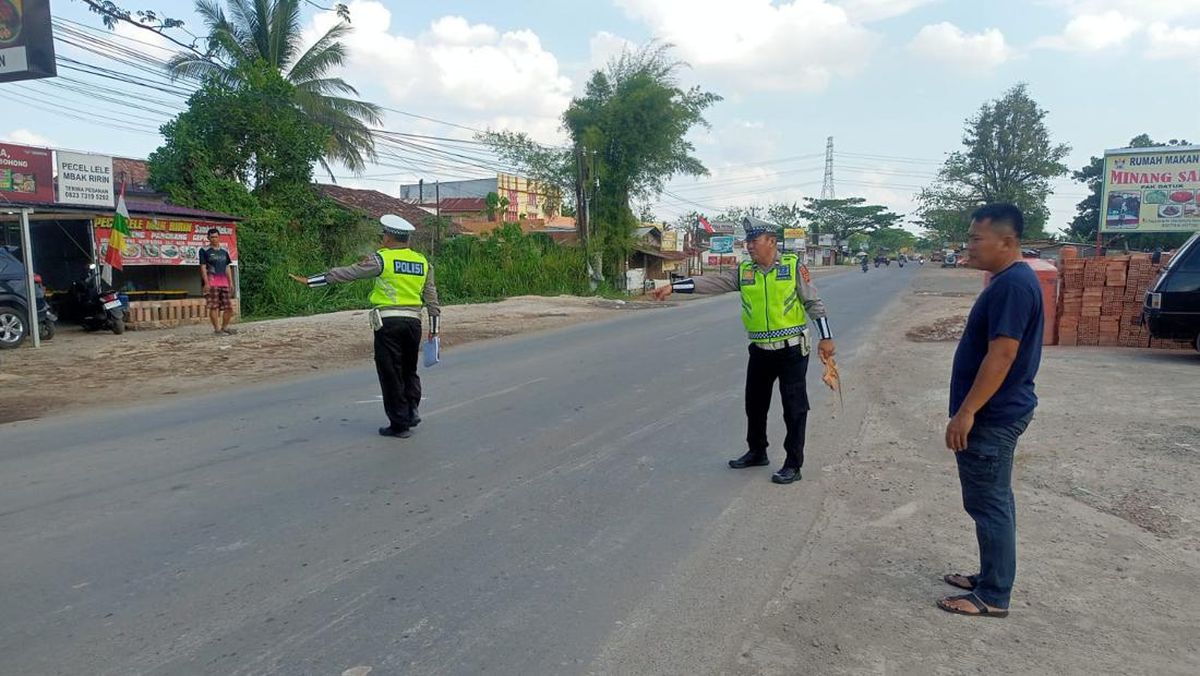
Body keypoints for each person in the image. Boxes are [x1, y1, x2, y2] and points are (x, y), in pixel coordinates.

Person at [650, 217, 836, 484]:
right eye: (747, 241)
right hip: (760, 350)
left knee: (793, 408)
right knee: (755, 404)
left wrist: (826, 338)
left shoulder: (793, 267)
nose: (749, 246)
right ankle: (757, 451)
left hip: (792, 350)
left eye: (754, 241)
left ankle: (793, 464)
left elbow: (814, 303)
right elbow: (711, 284)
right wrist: (673, 286)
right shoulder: (745, 271)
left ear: (771, 241)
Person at [938, 203, 1044, 619]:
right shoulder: (1008, 280)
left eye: (976, 238)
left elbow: (1001, 355)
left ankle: (994, 595)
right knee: (992, 500)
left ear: (1007, 241)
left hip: (993, 416)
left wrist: (966, 412)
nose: (970, 245)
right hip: (999, 411)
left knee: (989, 503)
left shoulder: (1013, 286)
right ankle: (988, 576)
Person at [290, 215, 441, 439]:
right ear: (406, 239)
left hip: (389, 322)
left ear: (388, 237)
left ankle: (399, 424)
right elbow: (432, 297)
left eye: (383, 235)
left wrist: (312, 281)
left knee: (390, 371)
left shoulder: (382, 259)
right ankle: (411, 410)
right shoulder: (422, 262)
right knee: (409, 369)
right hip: (414, 323)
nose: (382, 238)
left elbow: (349, 273)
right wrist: (435, 329)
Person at [199, 227, 236, 335]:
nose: (214, 239)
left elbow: (227, 267)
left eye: (216, 237)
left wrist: (231, 283)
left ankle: (224, 327)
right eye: (212, 237)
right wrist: (206, 283)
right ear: (208, 238)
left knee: (229, 307)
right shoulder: (204, 250)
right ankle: (217, 329)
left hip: (224, 282)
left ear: (219, 237)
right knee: (214, 306)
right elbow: (202, 267)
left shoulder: (224, 251)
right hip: (212, 282)